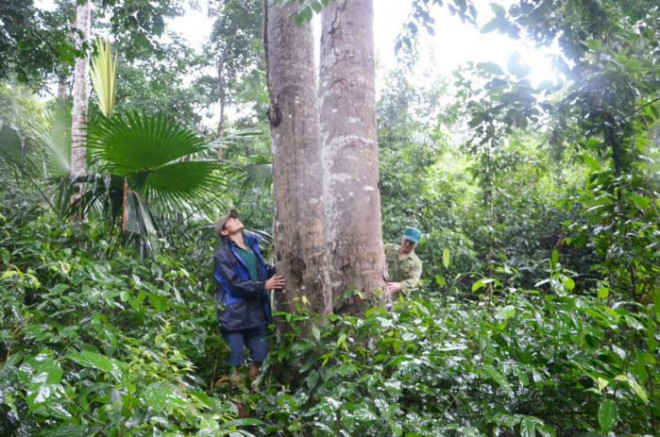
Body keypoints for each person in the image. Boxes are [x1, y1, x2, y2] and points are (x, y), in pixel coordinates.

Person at [213, 209, 285, 386]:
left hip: (256, 311)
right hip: (234, 314)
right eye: (230, 220)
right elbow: (233, 284)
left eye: (235, 217)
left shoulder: (252, 247)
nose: (235, 219)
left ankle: (253, 399)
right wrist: (263, 286)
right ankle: (235, 403)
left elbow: (264, 271)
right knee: (235, 362)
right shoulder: (223, 255)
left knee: (259, 358)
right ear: (224, 231)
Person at [385, 226, 423, 296]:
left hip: (398, 298)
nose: (407, 244)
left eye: (411, 243)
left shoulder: (416, 262)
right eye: (406, 240)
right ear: (402, 239)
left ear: (416, 245)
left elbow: (414, 280)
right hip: (382, 290)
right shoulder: (389, 248)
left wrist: (400, 285)